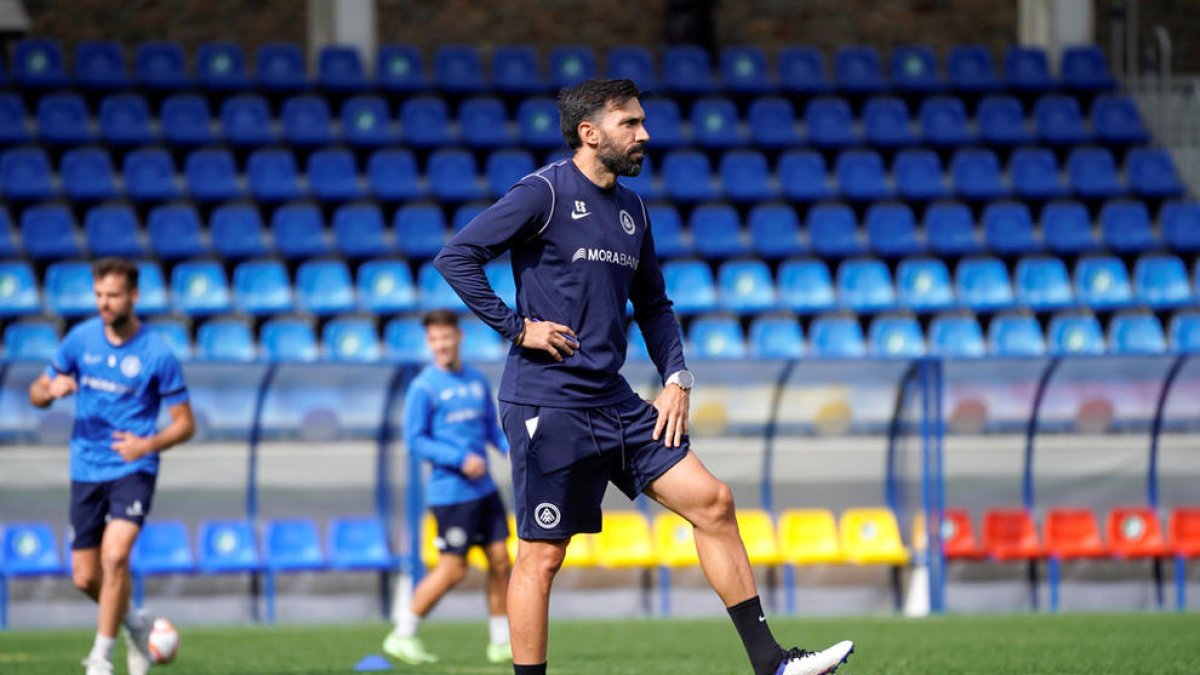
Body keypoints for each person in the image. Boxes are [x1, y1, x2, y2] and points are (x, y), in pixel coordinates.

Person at [434, 78, 855, 675]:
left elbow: (654, 305)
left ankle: (773, 665)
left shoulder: (633, 210)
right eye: (629, 123)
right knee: (541, 558)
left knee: (713, 502)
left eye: (641, 122)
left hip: (616, 402)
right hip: (547, 404)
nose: (644, 134)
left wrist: (677, 376)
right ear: (590, 133)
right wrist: (517, 327)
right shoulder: (543, 194)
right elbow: (456, 256)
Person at [28, 257, 195, 675]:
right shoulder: (79, 341)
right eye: (99, 295)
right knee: (85, 578)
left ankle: (100, 659)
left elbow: (185, 423)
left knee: (115, 557)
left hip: (132, 468)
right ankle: (136, 625)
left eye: (113, 295)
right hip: (86, 468)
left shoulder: (157, 353)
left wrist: (148, 444)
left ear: (133, 296)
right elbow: (36, 390)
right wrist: (50, 391)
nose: (104, 303)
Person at [383, 309, 513, 665]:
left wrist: (509, 450)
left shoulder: (474, 380)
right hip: (451, 494)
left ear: (458, 337)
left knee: (501, 561)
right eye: (434, 339)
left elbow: (490, 427)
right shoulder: (424, 388)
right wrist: (459, 459)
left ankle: (500, 641)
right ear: (429, 343)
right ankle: (402, 633)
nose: (441, 344)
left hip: (484, 489)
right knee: (453, 569)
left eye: (446, 336)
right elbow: (415, 441)